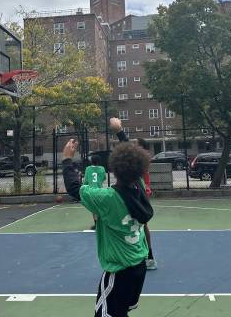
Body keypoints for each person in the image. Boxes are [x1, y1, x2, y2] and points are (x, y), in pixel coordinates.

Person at [63, 139, 153, 317]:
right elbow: (133, 161)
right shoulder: (140, 188)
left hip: (119, 272)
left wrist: (67, 159)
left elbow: (74, 187)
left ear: (114, 168)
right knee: (121, 311)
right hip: (139, 266)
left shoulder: (108, 198)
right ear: (140, 169)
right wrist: (120, 133)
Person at [109, 117, 157, 270]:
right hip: (139, 189)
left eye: (136, 146)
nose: (133, 147)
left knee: (141, 224)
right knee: (140, 223)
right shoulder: (141, 162)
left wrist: (119, 131)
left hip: (137, 189)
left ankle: (148, 255)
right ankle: (147, 256)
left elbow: (129, 152)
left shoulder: (138, 162)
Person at [84, 155, 106, 229]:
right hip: (100, 191)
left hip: (91, 191)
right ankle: (102, 223)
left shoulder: (88, 169)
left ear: (91, 161)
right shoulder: (102, 169)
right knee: (101, 207)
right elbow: (104, 178)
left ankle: (96, 224)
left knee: (94, 209)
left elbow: (86, 181)